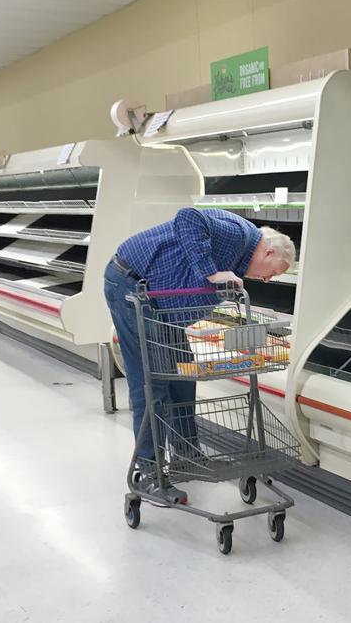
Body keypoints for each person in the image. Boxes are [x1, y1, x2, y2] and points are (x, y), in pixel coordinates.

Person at [104, 207, 295, 504]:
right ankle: (149, 473)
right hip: (132, 287)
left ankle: (187, 454)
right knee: (152, 384)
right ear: (269, 252)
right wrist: (210, 271)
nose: (268, 280)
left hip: (161, 303)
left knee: (182, 377)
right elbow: (188, 217)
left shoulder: (239, 256)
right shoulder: (239, 235)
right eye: (274, 273)